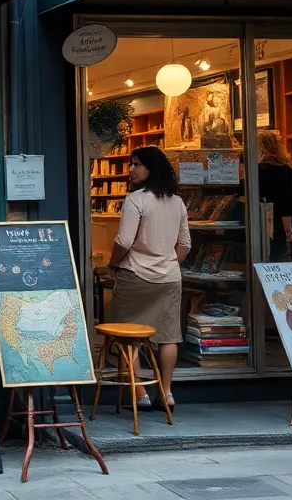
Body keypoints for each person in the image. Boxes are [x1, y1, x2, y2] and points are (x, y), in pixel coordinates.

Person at [108, 145, 190, 413]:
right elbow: (185, 245)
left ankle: (139, 392)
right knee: (168, 336)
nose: (130, 169)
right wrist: (167, 263)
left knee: (127, 336)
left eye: (135, 164)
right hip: (169, 278)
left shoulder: (136, 200)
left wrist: (114, 263)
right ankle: (166, 393)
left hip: (135, 275)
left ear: (150, 168)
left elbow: (124, 240)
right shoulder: (177, 201)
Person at [259, 130, 292, 261]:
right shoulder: (286, 170)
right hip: (278, 227)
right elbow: (287, 203)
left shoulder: (257, 170)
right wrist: (289, 231)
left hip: (262, 226)